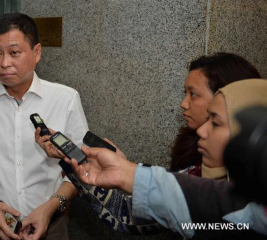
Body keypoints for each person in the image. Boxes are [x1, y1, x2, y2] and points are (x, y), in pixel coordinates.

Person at [37, 52, 261, 235]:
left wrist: (127, 173)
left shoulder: (247, 197)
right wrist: (125, 171)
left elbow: (130, 213)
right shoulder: (198, 165)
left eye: (193, 94)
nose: (183, 103)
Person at [0, 13, 89, 240]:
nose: (4, 63)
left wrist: (51, 207)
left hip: (49, 226)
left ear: (37, 52)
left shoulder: (65, 99)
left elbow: (82, 168)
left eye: (14, 52)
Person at [70, 79, 267, 239]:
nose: (202, 130)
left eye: (215, 122)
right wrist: (125, 171)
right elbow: (183, 196)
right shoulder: (227, 197)